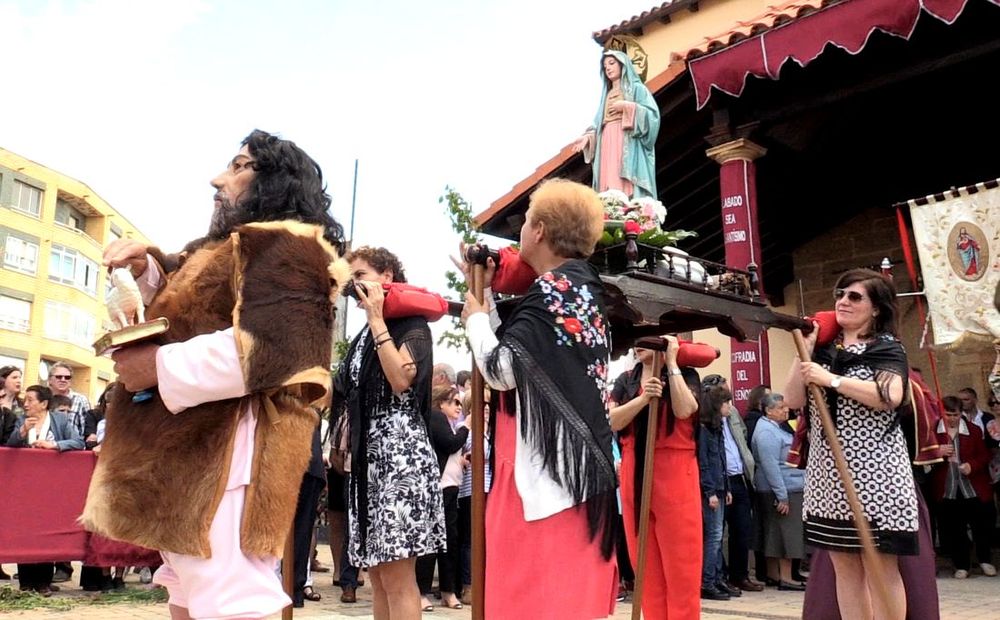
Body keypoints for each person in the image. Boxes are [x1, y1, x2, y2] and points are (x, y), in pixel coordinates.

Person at [81, 129, 347, 620]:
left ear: (275, 181)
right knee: (189, 590)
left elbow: (275, 351)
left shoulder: (290, 246)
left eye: (239, 165)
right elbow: (199, 305)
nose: (217, 179)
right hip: (193, 453)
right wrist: (148, 269)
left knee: (232, 598)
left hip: (230, 456)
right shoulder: (232, 247)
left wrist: (156, 366)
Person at [462, 178, 618, 618]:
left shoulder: (553, 291)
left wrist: (474, 319)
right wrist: (487, 300)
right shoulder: (583, 290)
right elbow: (521, 353)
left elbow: (501, 370)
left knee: (531, 598)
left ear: (541, 230)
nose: (521, 232)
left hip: (541, 468)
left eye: (526, 221)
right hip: (572, 467)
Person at [784, 268, 916, 620]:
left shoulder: (886, 348)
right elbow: (792, 399)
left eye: (854, 296)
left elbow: (890, 395)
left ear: (875, 308)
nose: (843, 301)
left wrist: (833, 380)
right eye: (840, 294)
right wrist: (805, 353)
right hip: (828, 475)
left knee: (881, 568)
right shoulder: (823, 351)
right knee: (845, 568)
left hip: (877, 473)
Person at [335, 245, 444, 619]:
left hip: (400, 460)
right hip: (367, 462)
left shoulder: (412, 326)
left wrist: (378, 320)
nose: (354, 285)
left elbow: (400, 379)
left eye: (361, 275)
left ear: (386, 278)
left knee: (398, 578)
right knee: (378, 577)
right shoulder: (360, 338)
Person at [609, 340, 701, 618]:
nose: (638, 345)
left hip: (675, 468)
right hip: (634, 468)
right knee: (644, 563)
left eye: (646, 339)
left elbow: (686, 410)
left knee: (681, 563)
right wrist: (642, 399)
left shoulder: (686, 374)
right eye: (636, 341)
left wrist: (671, 364)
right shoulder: (626, 380)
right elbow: (612, 421)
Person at [7, 385, 84, 595]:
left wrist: (55, 446)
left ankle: (43, 582)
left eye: (31, 400)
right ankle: (25, 581)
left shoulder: (61, 421)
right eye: (26, 400)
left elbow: (78, 442)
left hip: (51, 486)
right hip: (25, 485)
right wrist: (22, 432)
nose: (26, 404)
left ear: (44, 404)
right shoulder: (20, 420)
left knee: (47, 530)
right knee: (26, 531)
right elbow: (9, 445)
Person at [572, 50, 659, 199]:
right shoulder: (606, 95)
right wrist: (588, 137)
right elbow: (598, 123)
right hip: (606, 140)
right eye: (605, 67)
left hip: (626, 139)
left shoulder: (637, 89)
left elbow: (653, 116)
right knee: (609, 177)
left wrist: (627, 106)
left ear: (623, 65)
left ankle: (630, 203)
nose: (608, 69)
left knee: (622, 177)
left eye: (612, 64)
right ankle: (612, 204)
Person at [416, 384, 471, 611]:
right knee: (432, 541)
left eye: (460, 402)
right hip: (437, 488)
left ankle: (448, 591)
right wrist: (466, 428)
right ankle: (423, 592)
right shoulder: (437, 418)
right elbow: (450, 444)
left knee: (450, 540)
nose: (459, 407)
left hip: (451, 488)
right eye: (454, 402)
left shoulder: (448, 423)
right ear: (442, 404)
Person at [930, 396, 996, 578]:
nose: (952, 418)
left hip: (972, 487)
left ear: (961, 414)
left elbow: (984, 456)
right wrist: (937, 451)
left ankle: (985, 560)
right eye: (948, 414)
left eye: (956, 414)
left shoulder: (973, 430)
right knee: (955, 529)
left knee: (980, 526)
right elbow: (923, 456)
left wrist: (971, 465)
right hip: (948, 488)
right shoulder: (933, 432)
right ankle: (962, 565)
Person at [750, 393, 805, 590]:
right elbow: (770, 465)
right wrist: (781, 495)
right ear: (768, 410)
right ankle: (786, 577)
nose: (785, 410)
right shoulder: (766, 432)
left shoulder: (778, 427)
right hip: (781, 487)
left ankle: (775, 575)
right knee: (785, 534)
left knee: (776, 533)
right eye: (780, 407)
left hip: (788, 484)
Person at [698, 384, 734, 601]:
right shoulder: (703, 430)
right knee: (713, 536)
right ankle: (707, 581)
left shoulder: (718, 428)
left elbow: (722, 460)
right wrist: (710, 491)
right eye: (726, 403)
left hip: (721, 486)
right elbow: (703, 463)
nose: (729, 406)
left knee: (719, 536)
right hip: (711, 490)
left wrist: (727, 487)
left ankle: (718, 577)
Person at [1, 365, 23, 445]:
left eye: (20, 378)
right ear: (3, 380)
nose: (19, 381)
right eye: (14, 377)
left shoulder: (22, 404)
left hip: (14, 447)